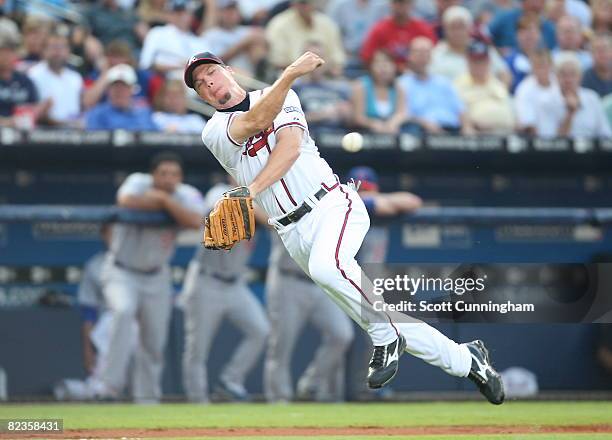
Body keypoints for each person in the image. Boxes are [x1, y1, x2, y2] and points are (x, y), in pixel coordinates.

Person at [183, 50, 505, 404]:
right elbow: (253, 121)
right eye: (200, 84)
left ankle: (384, 339)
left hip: (332, 204)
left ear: (229, 70)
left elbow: (289, 149)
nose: (209, 83)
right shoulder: (213, 131)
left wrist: (251, 190)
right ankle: (467, 360)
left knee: (332, 272)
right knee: (380, 312)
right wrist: (290, 71)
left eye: (212, 72)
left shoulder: (284, 95)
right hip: (292, 233)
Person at [97, 152, 204, 403]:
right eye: (163, 174)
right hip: (122, 271)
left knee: (154, 339)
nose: (168, 179)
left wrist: (165, 201)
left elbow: (195, 220)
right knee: (122, 311)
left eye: (174, 174)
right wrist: (166, 204)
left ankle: (146, 398)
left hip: (156, 276)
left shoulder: (185, 193)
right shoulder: (137, 181)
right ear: (153, 174)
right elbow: (125, 201)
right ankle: (108, 389)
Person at [181, 181, 269, 403]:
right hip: (206, 280)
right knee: (198, 348)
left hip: (235, 284)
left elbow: (270, 220)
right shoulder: (217, 190)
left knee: (261, 330)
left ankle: (230, 380)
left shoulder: (264, 197)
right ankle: (198, 403)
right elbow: (222, 207)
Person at [344, 166, 423, 401]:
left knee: (380, 338)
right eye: (360, 189)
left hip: (374, 283)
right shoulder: (345, 208)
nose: (364, 194)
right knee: (340, 336)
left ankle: (367, 390)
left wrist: (374, 200)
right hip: (347, 282)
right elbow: (362, 202)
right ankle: (329, 390)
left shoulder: (382, 206)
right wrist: (365, 201)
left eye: (368, 189)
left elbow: (413, 201)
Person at [264, 231, 354, 403]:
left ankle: (311, 383)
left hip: (321, 281)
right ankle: (279, 399)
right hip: (288, 279)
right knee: (281, 344)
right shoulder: (286, 204)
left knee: (342, 335)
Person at [53, 224, 139, 401]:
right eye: (111, 233)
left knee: (139, 384)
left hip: (138, 326)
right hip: (109, 329)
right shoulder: (95, 266)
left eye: (120, 232)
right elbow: (89, 313)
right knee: (102, 386)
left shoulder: (140, 261)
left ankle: (147, 421)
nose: (116, 237)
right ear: (103, 235)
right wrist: (87, 350)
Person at [398, 37, 466, 135]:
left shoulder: (444, 82)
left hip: (452, 132)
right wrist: (425, 123)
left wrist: (467, 127)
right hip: (421, 133)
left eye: (426, 52)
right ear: (409, 56)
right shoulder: (402, 84)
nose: (422, 56)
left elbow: (460, 109)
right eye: (418, 52)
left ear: (431, 56)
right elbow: (403, 115)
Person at [430, 5, 511, 85]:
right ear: (444, 30)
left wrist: (500, 93)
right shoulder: (436, 55)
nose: (457, 32)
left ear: (470, 28)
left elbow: (505, 74)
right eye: (453, 27)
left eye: (461, 27)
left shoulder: (482, 48)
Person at [266, 0, 346, 77]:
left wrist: (322, 69)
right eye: (303, 2)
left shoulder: (326, 23)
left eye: (310, 2)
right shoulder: (279, 24)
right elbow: (277, 62)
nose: (306, 6)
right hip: (293, 79)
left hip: (326, 78)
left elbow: (338, 60)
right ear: (293, 4)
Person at [455, 40, 515, 134]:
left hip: (508, 134)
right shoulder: (458, 85)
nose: (479, 65)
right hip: (480, 136)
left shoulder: (496, 83)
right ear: (468, 62)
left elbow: (510, 107)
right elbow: (457, 114)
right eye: (475, 61)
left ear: (488, 62)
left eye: (482, 61)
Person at [360, 0, 436, 71]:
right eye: (397, 2)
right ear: (391, 4)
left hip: (417, 73)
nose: (400, 6)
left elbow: (434, 55)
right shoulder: (380, 29)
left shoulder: (423, 28)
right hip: (388, 77)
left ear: (412, 4)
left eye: (404, 2)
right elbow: (367, 58)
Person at [83, 40, 159, 110]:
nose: (118, 61)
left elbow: (160, 103)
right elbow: (87, 103)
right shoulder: (95, 76)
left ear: (130, 59)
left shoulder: (144, 77)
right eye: (114, 56)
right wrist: (105, 74)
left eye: (121, 56)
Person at [293, 42, 353, 130]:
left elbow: (352, 120)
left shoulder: (340, 88)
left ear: (326, 61)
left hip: (338, 137)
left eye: (319, 57)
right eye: (310, 58)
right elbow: (291, 121)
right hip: (309, 137)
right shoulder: (294, 88)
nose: (315, 63)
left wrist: (346, 113)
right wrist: (323, 115)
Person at [28, 32, 83, 127]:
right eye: (53, 47)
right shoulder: (33, 75)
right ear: (43, 51)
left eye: (62, 47)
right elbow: (29, 111)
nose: (58, 51)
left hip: (74, 134)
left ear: (68, 51)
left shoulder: (76, 77)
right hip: (43, 132)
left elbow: (82, 107)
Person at [200, 0, 267, 78]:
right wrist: (241, 45)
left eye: (233, 11)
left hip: (250, 70)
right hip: (226, 74)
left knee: (257, 42)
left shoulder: (246, 31)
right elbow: (212, 63)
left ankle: (263, 75)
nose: (230, 15)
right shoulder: (211, 34)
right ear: (219, 13)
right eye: (226, 12)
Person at [552, 52, 612, 138]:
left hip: (592, 150)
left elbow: (606, 135)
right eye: (563, 74)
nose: (568, 79)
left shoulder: (592, 98)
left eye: (572, 74)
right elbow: (550, 143)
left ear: (580, 76)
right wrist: (570, 113)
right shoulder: (547, 101)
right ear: (556, 77)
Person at [85, 64, 158, 131]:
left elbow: (156, 138)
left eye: (124, 87)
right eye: (115, 86)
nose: (119, 91)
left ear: (132, 89)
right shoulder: (97, 114)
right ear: (108, 89)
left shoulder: (143, 113)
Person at [352, 50, 409, 134]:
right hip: (364, 134)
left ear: (394, 67)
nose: (383, 67)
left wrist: (393, 123)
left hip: (391, 134)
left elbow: (401, 113)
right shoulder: (360, 86)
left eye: (387, 63)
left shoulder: (399, 88)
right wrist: (373, 124)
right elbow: (358, 117)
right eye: (378, 63)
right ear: (371, 67)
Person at [139, 0, 202, 74]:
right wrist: (178, 66)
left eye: (184, 13)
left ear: (192, 16)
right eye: (177, 13)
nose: (180, 17)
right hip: (164, 79)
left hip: (191, 80)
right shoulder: (157, 33)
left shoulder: (199, 41)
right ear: (169, 14)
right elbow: (145, 64)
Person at [0, 32, 43, 129]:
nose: (6, 57)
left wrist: (38, 110)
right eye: (2, 53)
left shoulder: (25, 81)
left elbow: (34, 106)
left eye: (10, 52)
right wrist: (8, 122)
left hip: (22, 133)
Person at [514, 48, 560, 136]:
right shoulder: (524, 89)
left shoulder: (559, 83)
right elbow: (528, 124)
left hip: (564, 138)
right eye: (537, 65)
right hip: (536, 142)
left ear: (551, 65)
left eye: (544, 65)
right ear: (532, 67)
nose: (541, 69)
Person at [488, 0, 556, 52]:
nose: (537, 2)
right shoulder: (505, 18)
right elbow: (485, 36)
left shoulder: (549, 28)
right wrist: (499, 52)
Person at [503, 15, 543, 92]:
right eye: (524, 31)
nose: (528, 35)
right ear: (517, 35)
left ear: (539, 34)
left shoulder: (546, 60)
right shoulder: (508, 62)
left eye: (532, 31)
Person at [582, 33, 612, 98]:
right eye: (598, 50)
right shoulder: (585, 77)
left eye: (605, 49)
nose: (602, 54)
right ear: (591, 54)